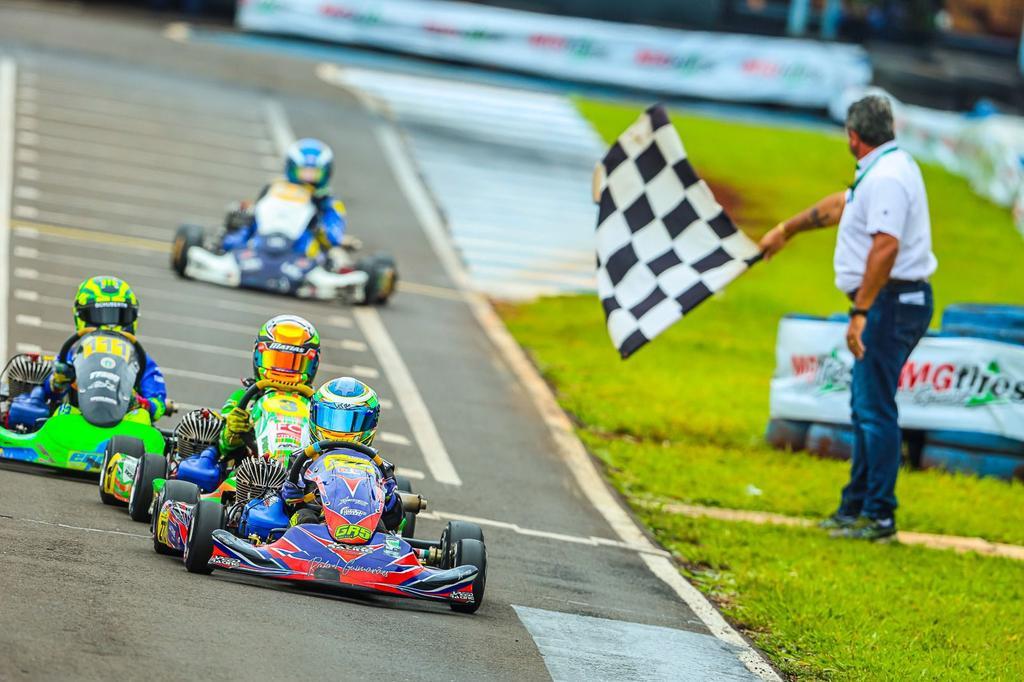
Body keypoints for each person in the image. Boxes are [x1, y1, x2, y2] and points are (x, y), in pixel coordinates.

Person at [759, 95, 936, 541]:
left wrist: (861, 311)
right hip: (890, 301)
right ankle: (856, 505)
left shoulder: (889, 177)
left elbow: (886, 246)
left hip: (890, 303)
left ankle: (878, 515)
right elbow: (841, 205)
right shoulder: (883, 168)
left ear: (852, 136)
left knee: (874, 409)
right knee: (865, 407)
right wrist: (787, 230)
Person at [174, 314, 321, 492]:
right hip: (250, 473)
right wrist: (233, 431)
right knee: (225, 482)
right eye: (276, 360)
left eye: (294, 363)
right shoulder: (245, 398)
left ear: (312, 365)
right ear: (259, 357)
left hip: (302, 479)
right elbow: (224, 446)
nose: (284, 371)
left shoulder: (317, 406)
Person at [8, 276, 166, 429]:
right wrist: (58, 382)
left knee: (141, 418)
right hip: (78, 420)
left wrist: (140, 403)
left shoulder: (140, 360)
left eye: (118, 316)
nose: (109, 326)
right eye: (100, 316)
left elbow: (158, 407)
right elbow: (50, 391)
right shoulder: (76, 352)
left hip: (124, 425)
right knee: (62, 412)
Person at [280, 377, 403, 531]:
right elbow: (285, 508)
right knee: (305, 518)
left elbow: (394, 520)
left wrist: (392, 501)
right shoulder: (302, 459)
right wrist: (288, 494)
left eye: (350, 421)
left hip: (364, 527)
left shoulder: (380, 467)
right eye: (331, 419)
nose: (340, 431)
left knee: (380, 528)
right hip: (315, 525)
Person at [222, 138, 354, 264]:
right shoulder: (274, 187)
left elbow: (334, 235)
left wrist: (320, 225)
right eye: (303, 172)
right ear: (291, 168)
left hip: (302, 250)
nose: (308, 179)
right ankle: (223, 248)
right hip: (263, 237)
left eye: (314, 173)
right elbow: (260, 212)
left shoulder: (329, 201)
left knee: (333, 256)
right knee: (239, 224)